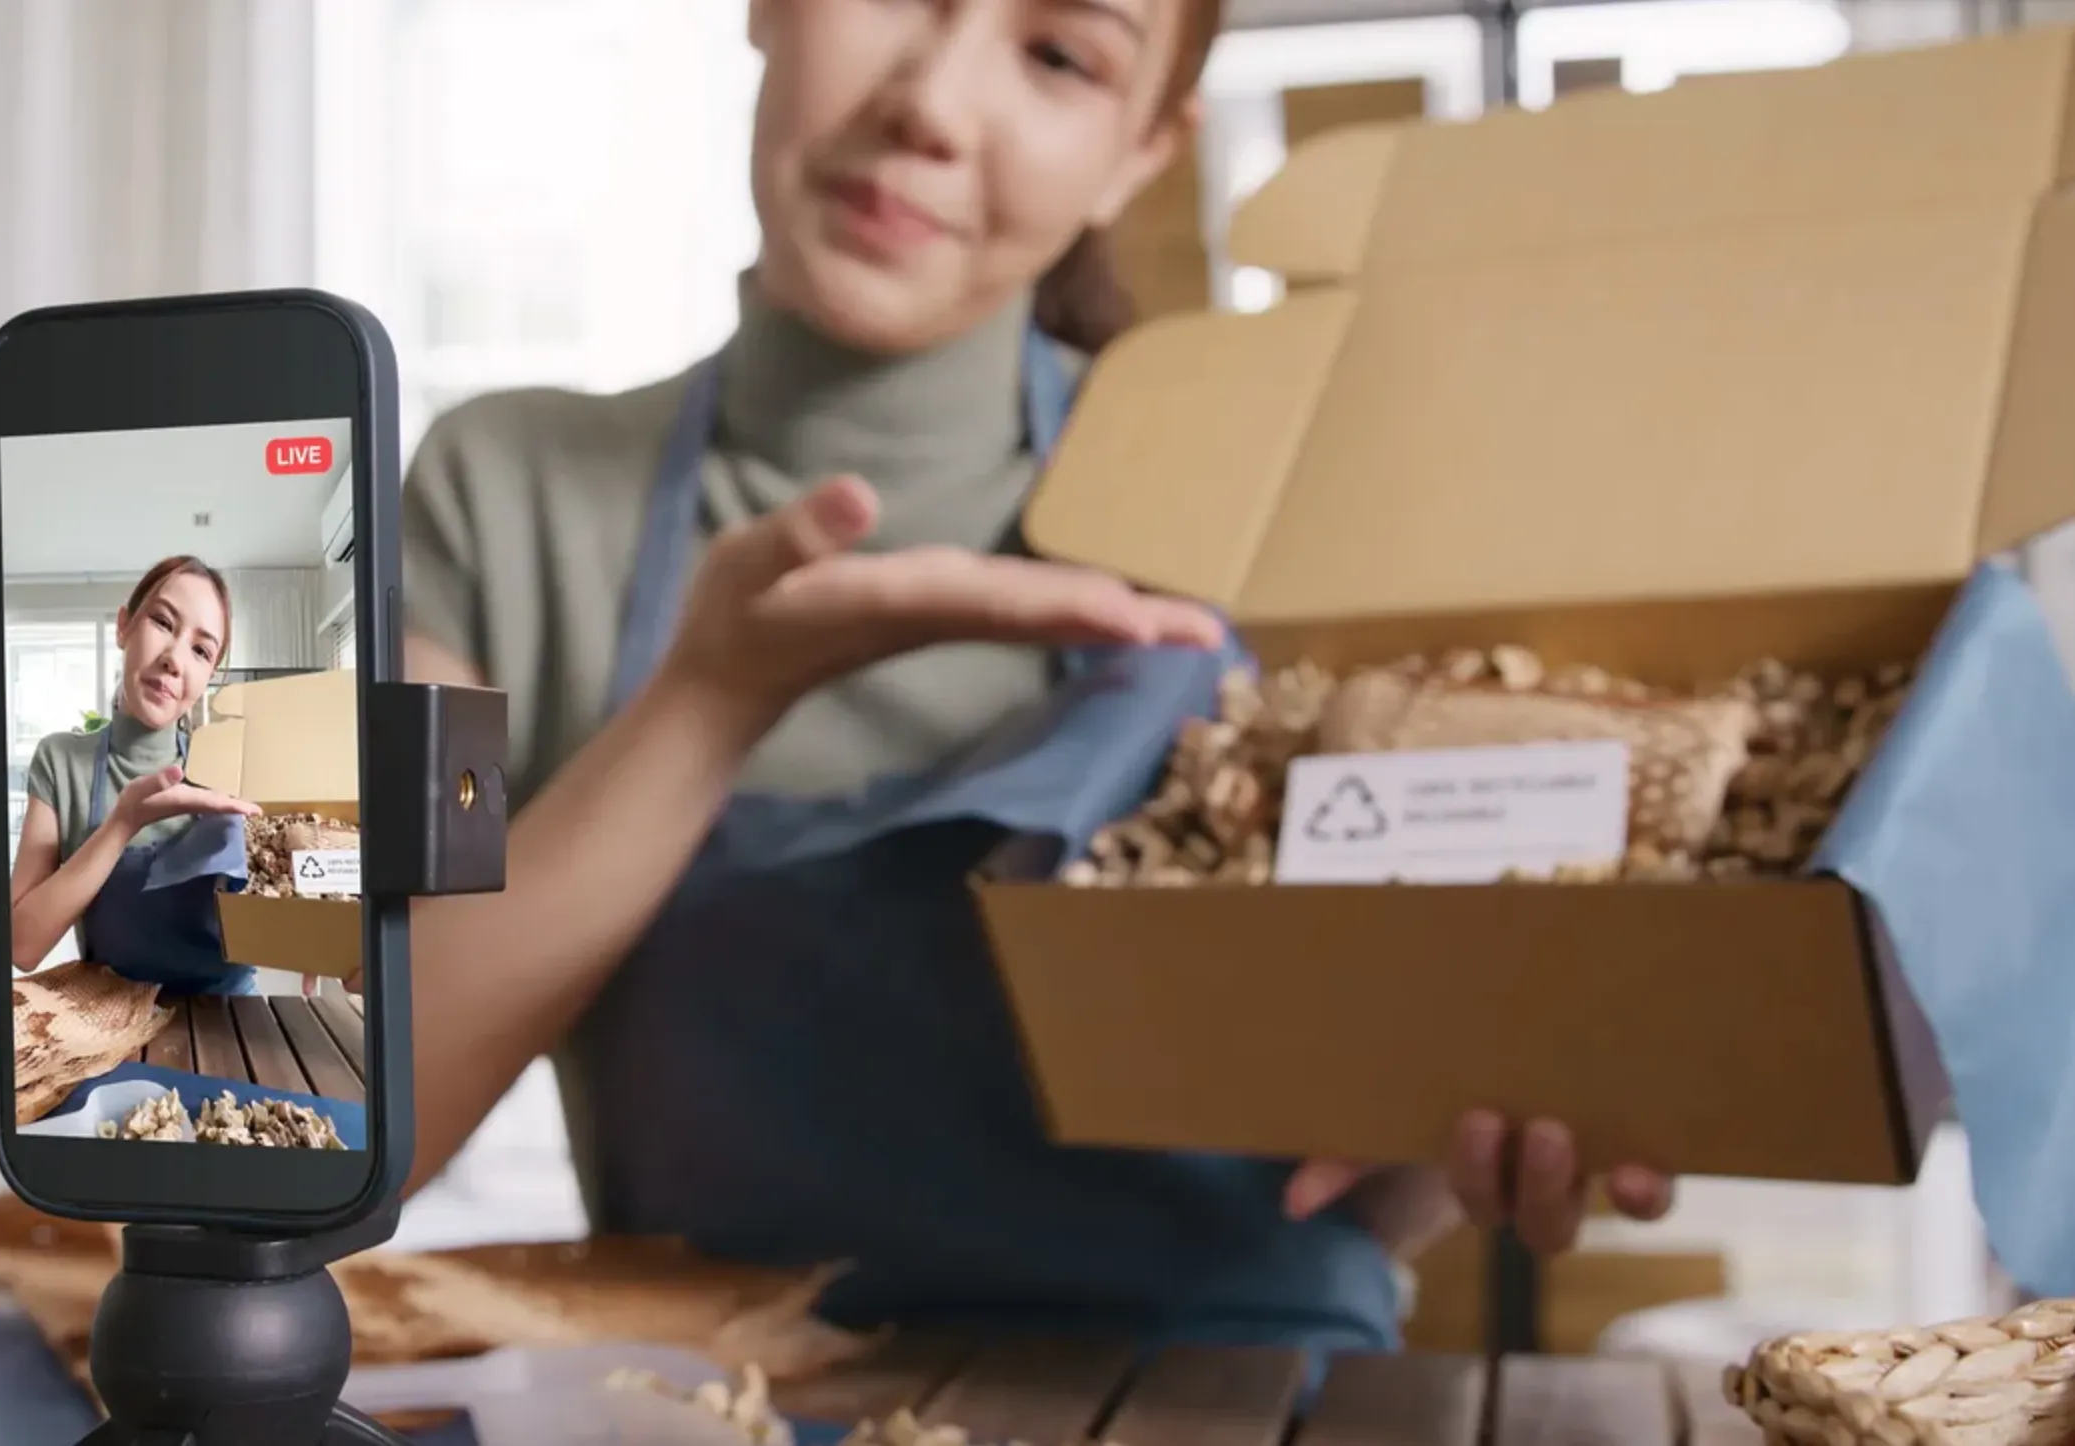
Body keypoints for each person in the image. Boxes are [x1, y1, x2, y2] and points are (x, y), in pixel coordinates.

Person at [399, 0, 1679, 1353]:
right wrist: (705, 707)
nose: (932, 107)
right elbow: (306, 1112)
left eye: (1060, 56)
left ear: (1142, 150)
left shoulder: (1294, 501)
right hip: (713, 1408)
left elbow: (1369, 1168)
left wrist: (1496, 1109)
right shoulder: (487, 495)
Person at [11, 554, 263, 995]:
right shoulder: (61, 761)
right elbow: (22, 945)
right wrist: (122, 824)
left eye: (201, 651)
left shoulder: (235, 765)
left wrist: (334, 946)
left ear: (210, 676)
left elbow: (292, 902)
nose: (174, 659)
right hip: (109, 1018)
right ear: (124, 626)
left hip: (230, 1020)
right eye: (163, 623)